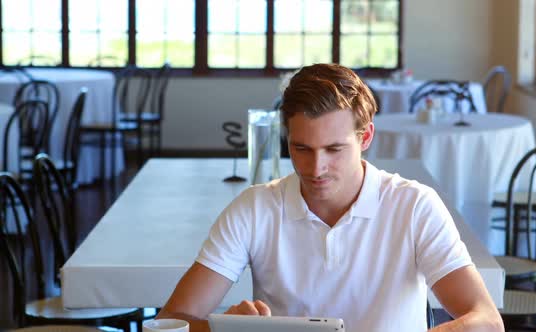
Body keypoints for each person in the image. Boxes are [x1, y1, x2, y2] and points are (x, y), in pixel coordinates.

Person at [157, 63, 503, 331]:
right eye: (301, 148)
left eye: (334, 149)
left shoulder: (414, 206)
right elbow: (171, 319)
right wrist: (226, 330)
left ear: (365, 136)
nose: (316, 168)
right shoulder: (255, 208)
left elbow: (487, 320)